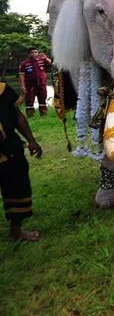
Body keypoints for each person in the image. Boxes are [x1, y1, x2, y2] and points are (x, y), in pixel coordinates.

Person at [1, 80, 42, 241]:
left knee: (18, 188)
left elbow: (17, 116)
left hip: (10, 149)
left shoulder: (3, 90)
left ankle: (16, 231)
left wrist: (31, 140)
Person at [18, 48, 52, 118]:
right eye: (32, 52)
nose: (34, 53)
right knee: (29, 101)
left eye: (35, 52)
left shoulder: (42, 60)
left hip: (42, 85)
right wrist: (23, 86)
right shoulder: (24, 64)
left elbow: (51, 63)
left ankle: (44, 116)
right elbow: (21, 75)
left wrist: (46, 57)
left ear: (38, 53)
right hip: (30, 86)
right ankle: (30, 117)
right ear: (28, 54)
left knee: (42, 100)